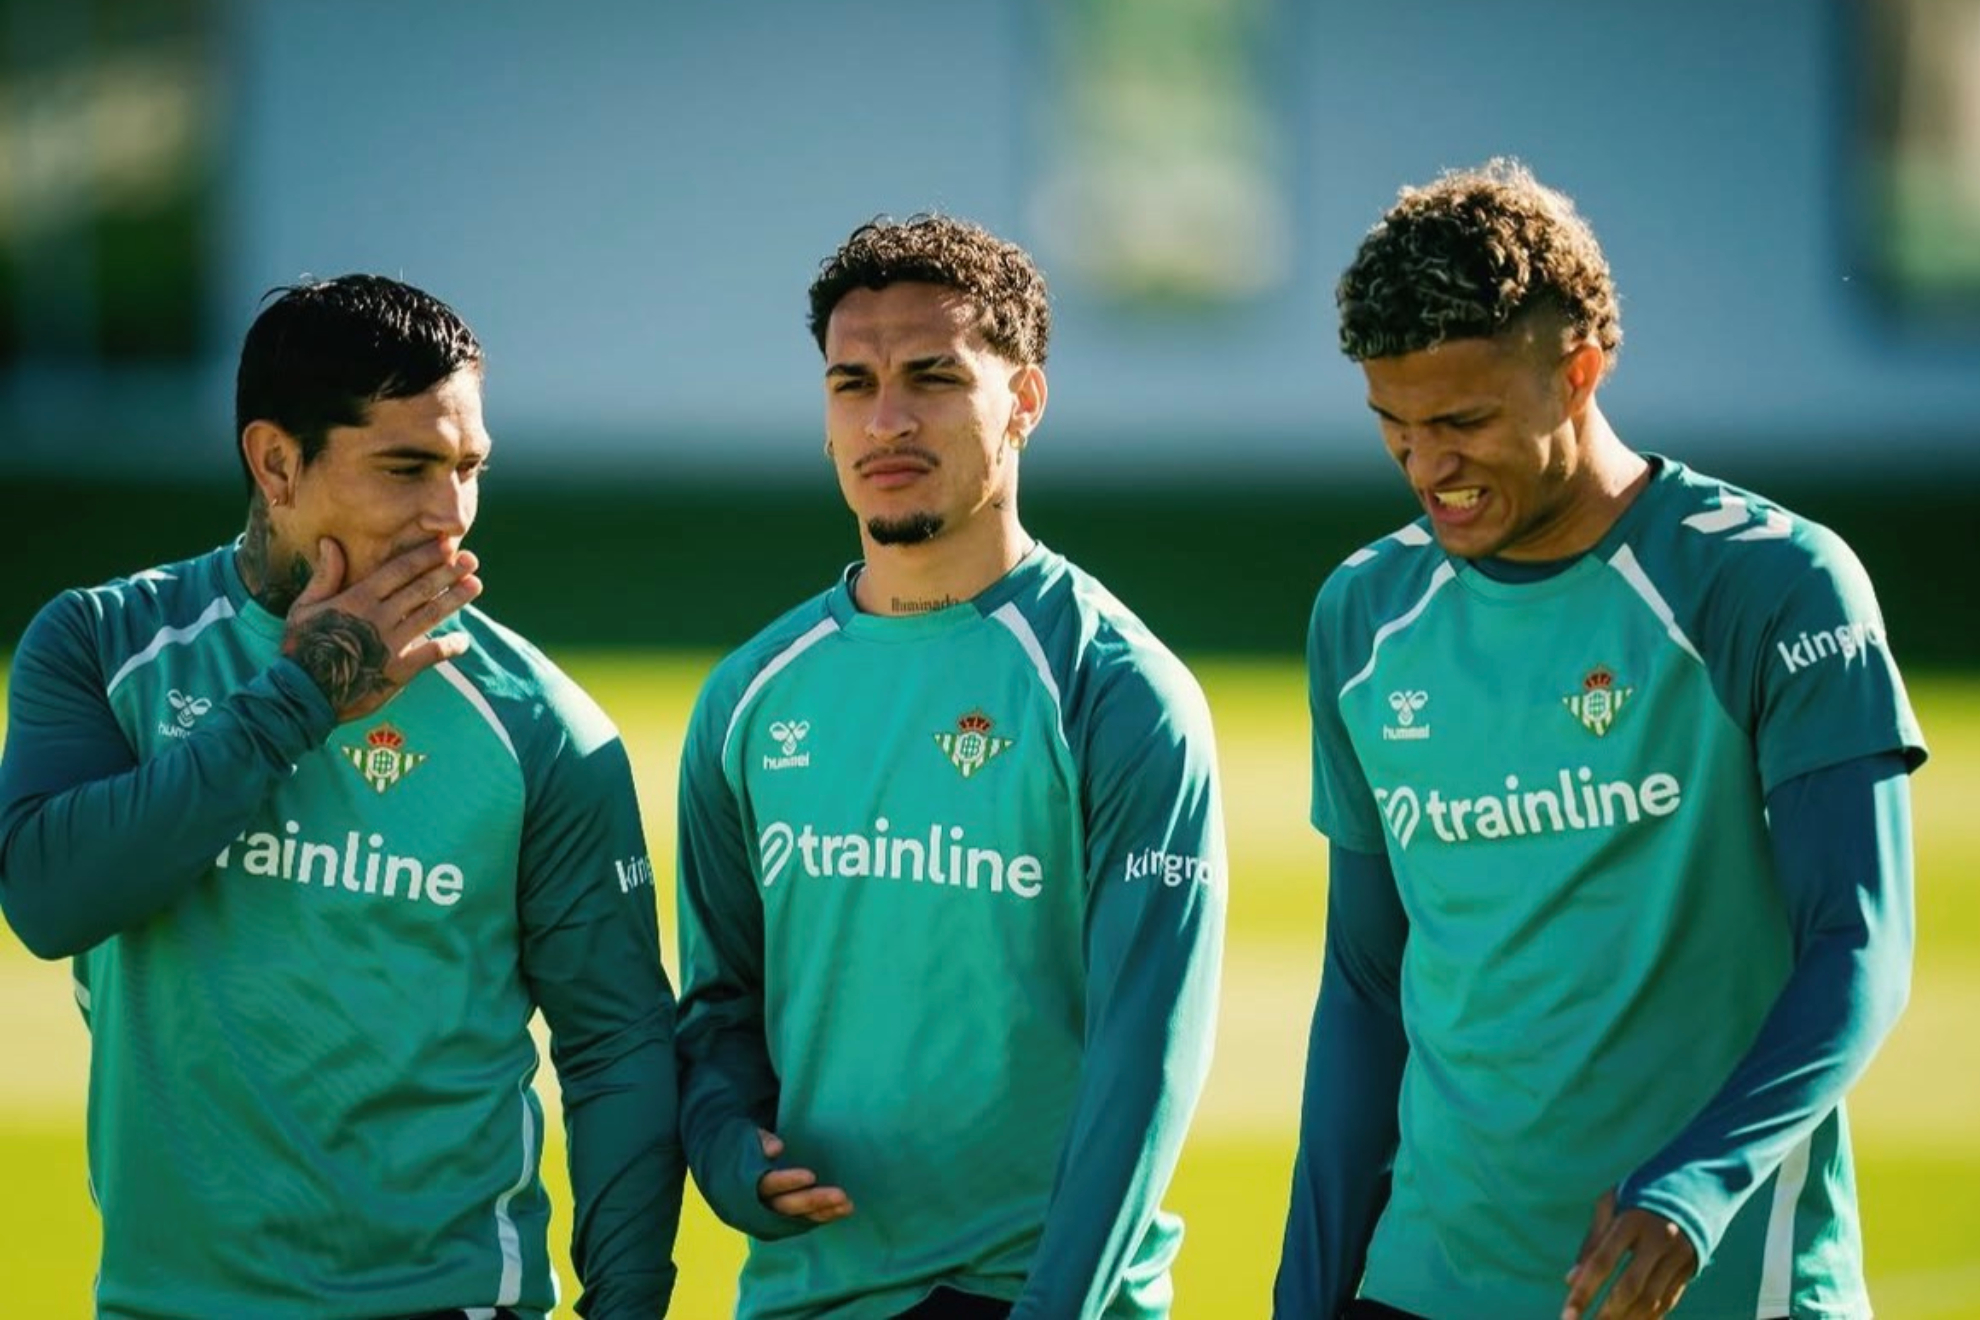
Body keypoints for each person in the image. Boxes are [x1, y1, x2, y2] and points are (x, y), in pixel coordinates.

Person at [1273, 160, 1925, 1320]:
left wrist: (1695, 1189)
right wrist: (1308, 1291)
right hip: (1425, 1286)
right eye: (1395, 428)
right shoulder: (1364, 616)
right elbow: (1367, 985)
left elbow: (1859, 941)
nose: (1430, 469)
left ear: (1578, 370)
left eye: (1464, 421)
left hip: (1718, 1285)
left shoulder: (1772, 583)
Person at [0, 274, 683, 1319]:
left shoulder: (542, 727)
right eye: (407, 466)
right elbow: (51, 899)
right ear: (276, 462)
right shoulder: (102, 647)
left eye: (468, 469)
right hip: (161, 1304)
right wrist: (300, 697)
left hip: (448, 1302)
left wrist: (627, 1304)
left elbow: (618, 1045)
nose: (449, 513)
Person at [672, 215, 1226, 1319]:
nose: (886, 420)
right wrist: (728, 1147)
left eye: (932, 377)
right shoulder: (748, 696)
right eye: (851, 384)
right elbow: (720, 1005)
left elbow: (1146, 1059)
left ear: (1023, 400)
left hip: (1042, 1294)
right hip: (808, 1295)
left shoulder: (1116, 689)